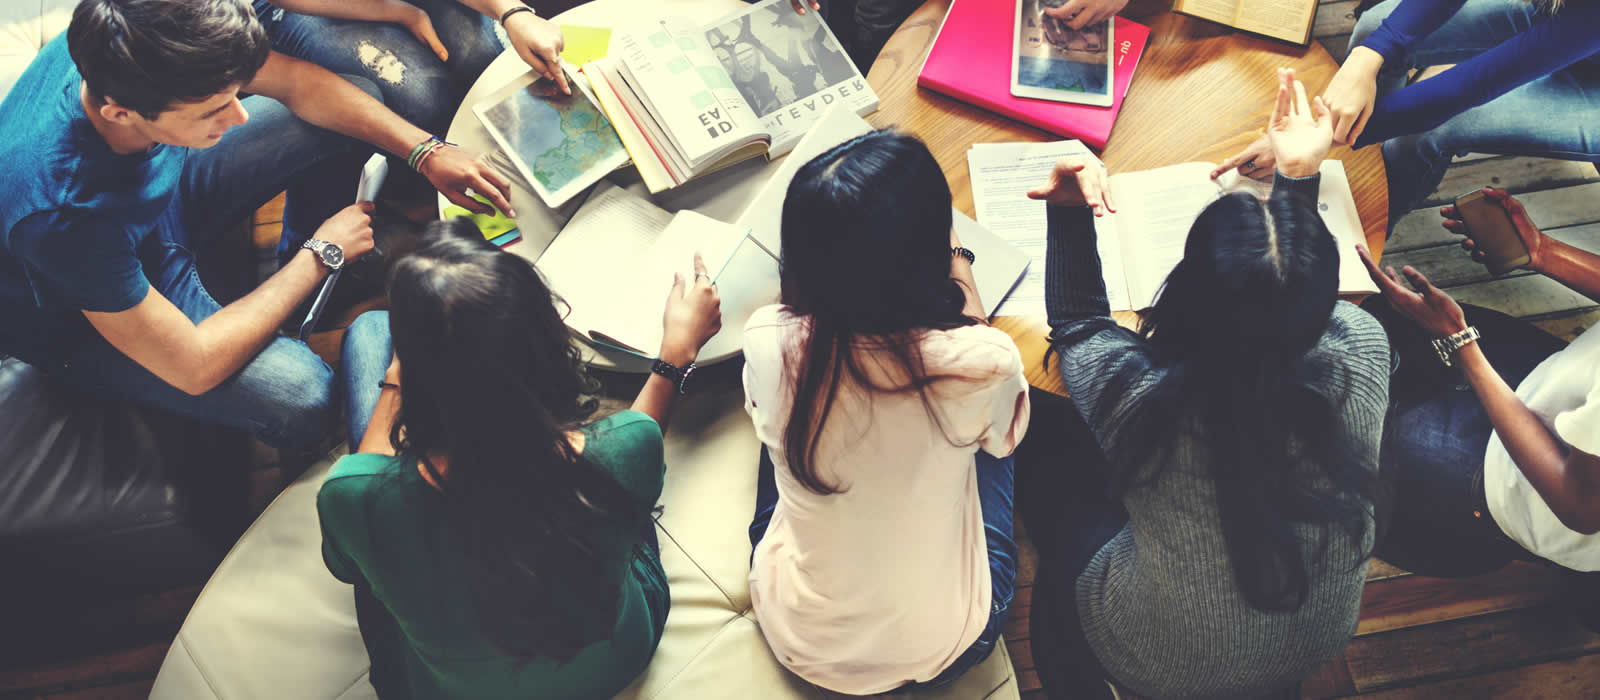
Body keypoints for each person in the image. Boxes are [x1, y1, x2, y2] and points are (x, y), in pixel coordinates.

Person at [1021, 69, 1389, 699]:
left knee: (1049, 485)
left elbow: (1079, 321)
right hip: (1318, 638)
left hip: (1157, 660)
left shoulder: (1136, 396)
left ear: (1189, 294)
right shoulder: (1363, 346)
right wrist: (1297, 182)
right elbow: (1285, 303)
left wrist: (1067, 212)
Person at [0, 0, 511, 453]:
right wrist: (319, 254)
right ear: (120, 112)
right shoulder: (63, 217)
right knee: (305, 398)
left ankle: (331, 279)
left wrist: (425, 150)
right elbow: (194, 365)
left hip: (154, 202)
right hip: (87, 313)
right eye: (214, 110)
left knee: (350, 99)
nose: (242, 116)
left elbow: (297, 82)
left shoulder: (140, 36)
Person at [321, 219, 722, 698]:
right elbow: (639, 438)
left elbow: (350, 567)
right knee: (618, 496)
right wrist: (676, 355)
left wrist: (397, 378)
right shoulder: (628, 444)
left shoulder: (351, 495)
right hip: (616, 662)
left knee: (366, 332)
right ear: (545, 344)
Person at [743, 130, 1031, 694]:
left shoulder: (767, 338)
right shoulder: (981, 361)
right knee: (996, 430)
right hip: (953, 642)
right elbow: (1003, 440)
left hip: (798, 636)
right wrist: (958, 256)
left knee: (780, 420)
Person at [1353, 188, 1600, 612]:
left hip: (1506, 480)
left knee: (1324, 425)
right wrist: (1542, 251)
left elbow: (1581, 506)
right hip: (1551, 381)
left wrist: (1461, 344)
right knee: (1377, 319)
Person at [1213, 0, 1600, 234]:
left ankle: (1367, 225)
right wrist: (1370, 54)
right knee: (1372, 30)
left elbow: (1470, 86)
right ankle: (1357, 160)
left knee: (1437, 129)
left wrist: (1320, 135)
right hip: (1565, 14)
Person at [254, 0, 570, 136]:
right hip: (299, 9)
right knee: (424, 96)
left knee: (482, 57)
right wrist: (403, 13)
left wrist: (512, 12)